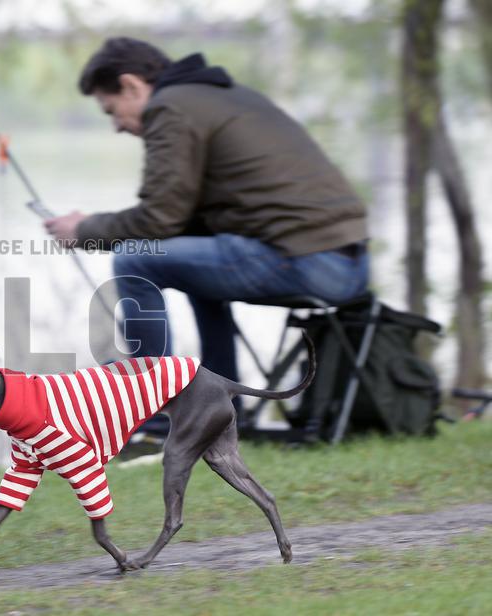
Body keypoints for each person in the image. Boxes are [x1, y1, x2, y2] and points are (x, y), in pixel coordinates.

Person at [44, 37, 369, 438]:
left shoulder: (171, 107)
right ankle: (223, 407)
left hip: (305, 261)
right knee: (192, 266)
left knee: (134, 259)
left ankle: (151, 405)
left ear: (131, 86)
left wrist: (84, 230)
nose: (116, 126)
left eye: (112, 111)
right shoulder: (223, 96)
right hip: (347, 263)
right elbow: (181, 220)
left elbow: (157, 220)